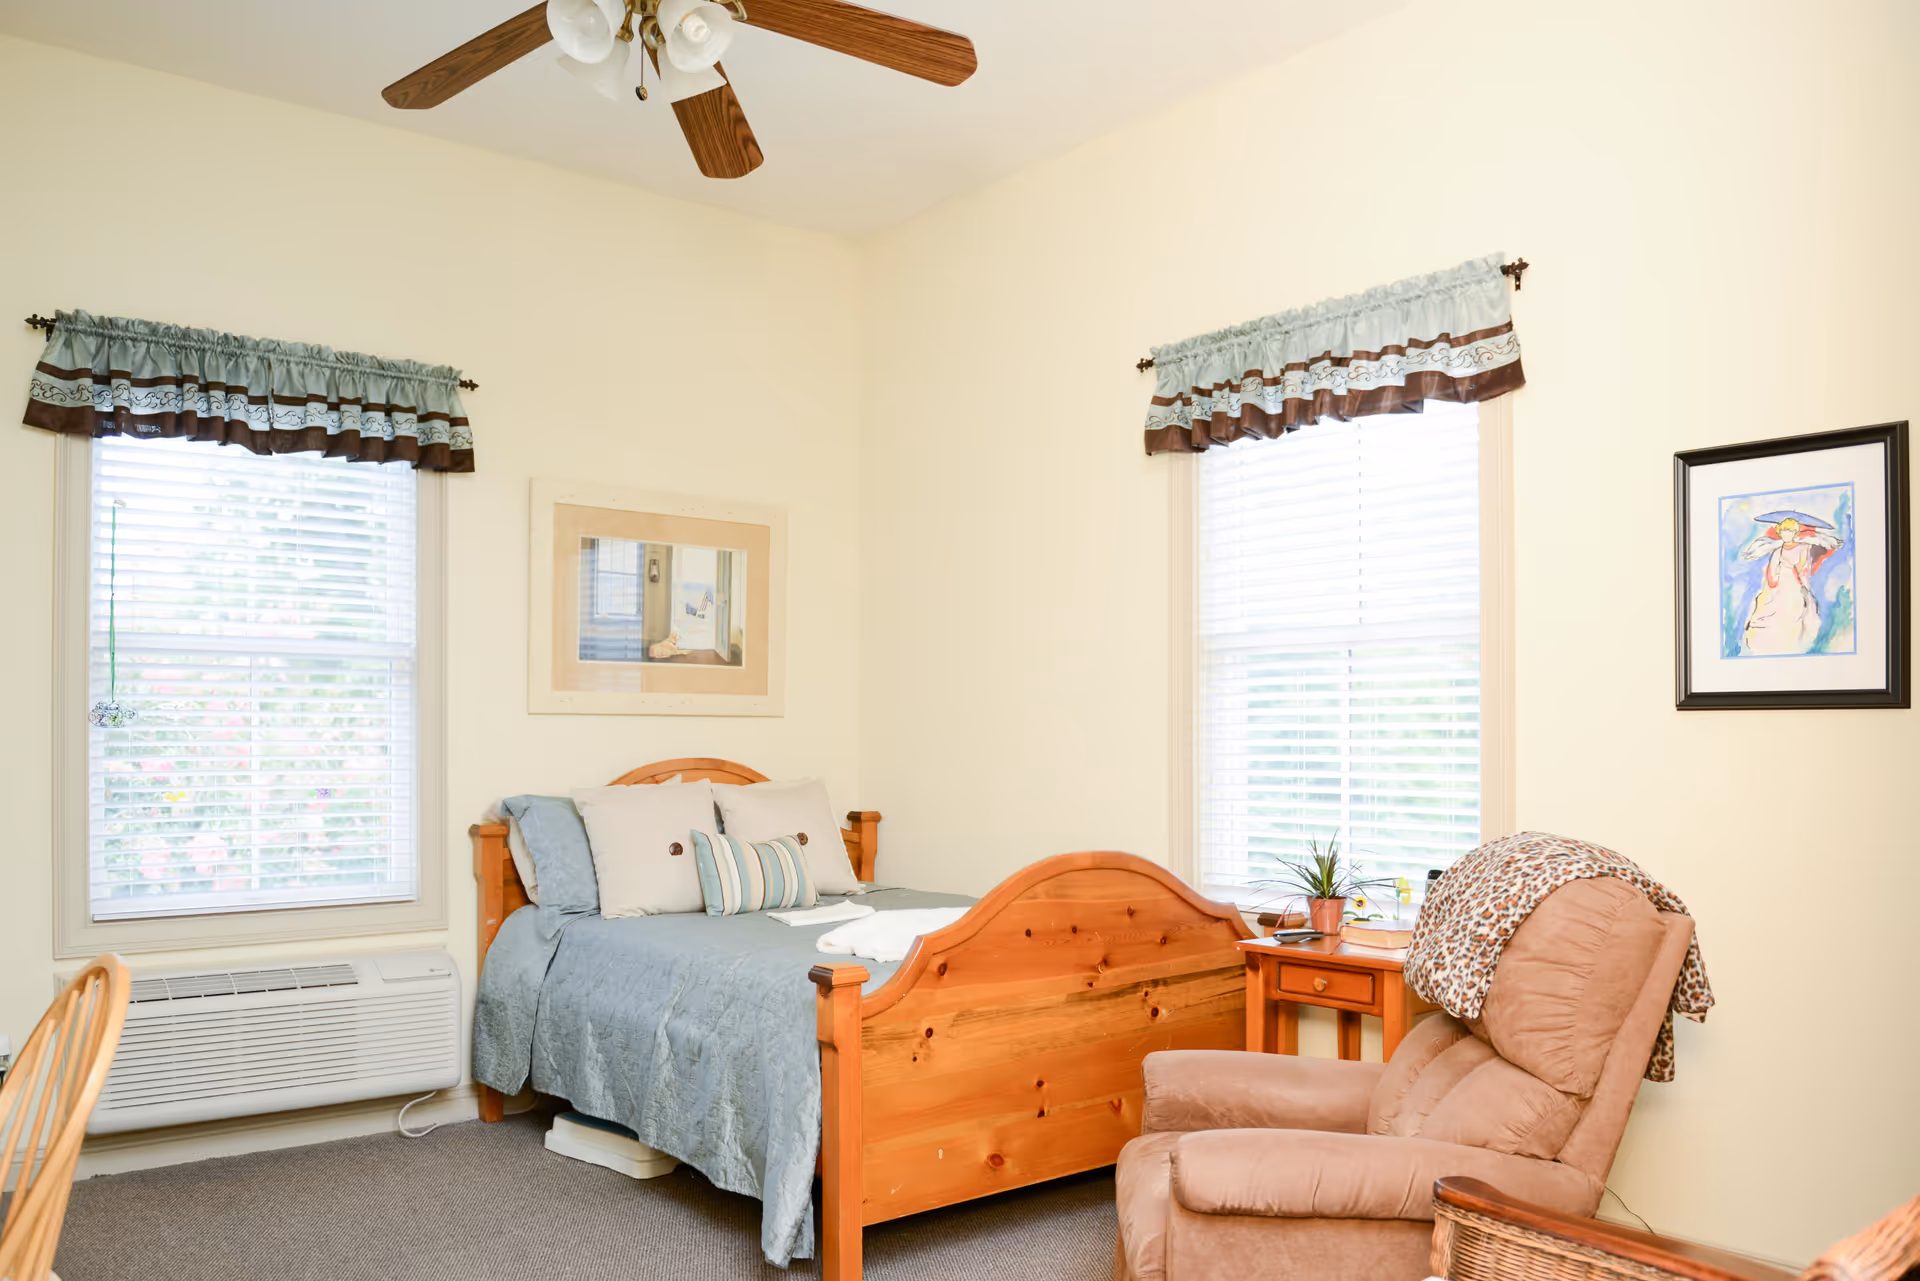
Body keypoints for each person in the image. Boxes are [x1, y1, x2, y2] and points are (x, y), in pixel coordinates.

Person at [1737, 513, 1842, 654]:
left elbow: (1803, 568)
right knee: (1769, 609)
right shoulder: (1777, 550)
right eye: (1784, 531)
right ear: (1780, 532)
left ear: (1796, 532)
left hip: (1794, 583)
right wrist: (1772, 583)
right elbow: (1772, 569)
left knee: (1795, 608)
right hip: (1778, 585)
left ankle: (1791, 640)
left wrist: (1803, 585)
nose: (1787, 534)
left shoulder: (1803, 548)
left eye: (1790, 531)